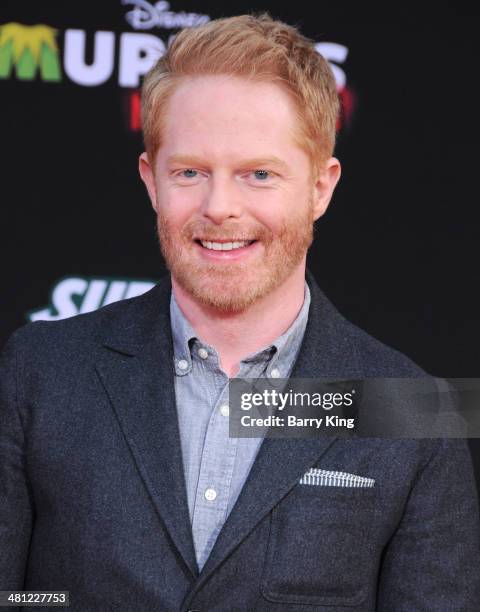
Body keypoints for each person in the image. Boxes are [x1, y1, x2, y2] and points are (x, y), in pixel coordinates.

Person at [1, 12, 479, 612]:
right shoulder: (40, 373)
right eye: (190, 172)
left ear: (320, 188)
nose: (220, 206)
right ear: (152, 182)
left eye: (259, 173)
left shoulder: (409, 410)